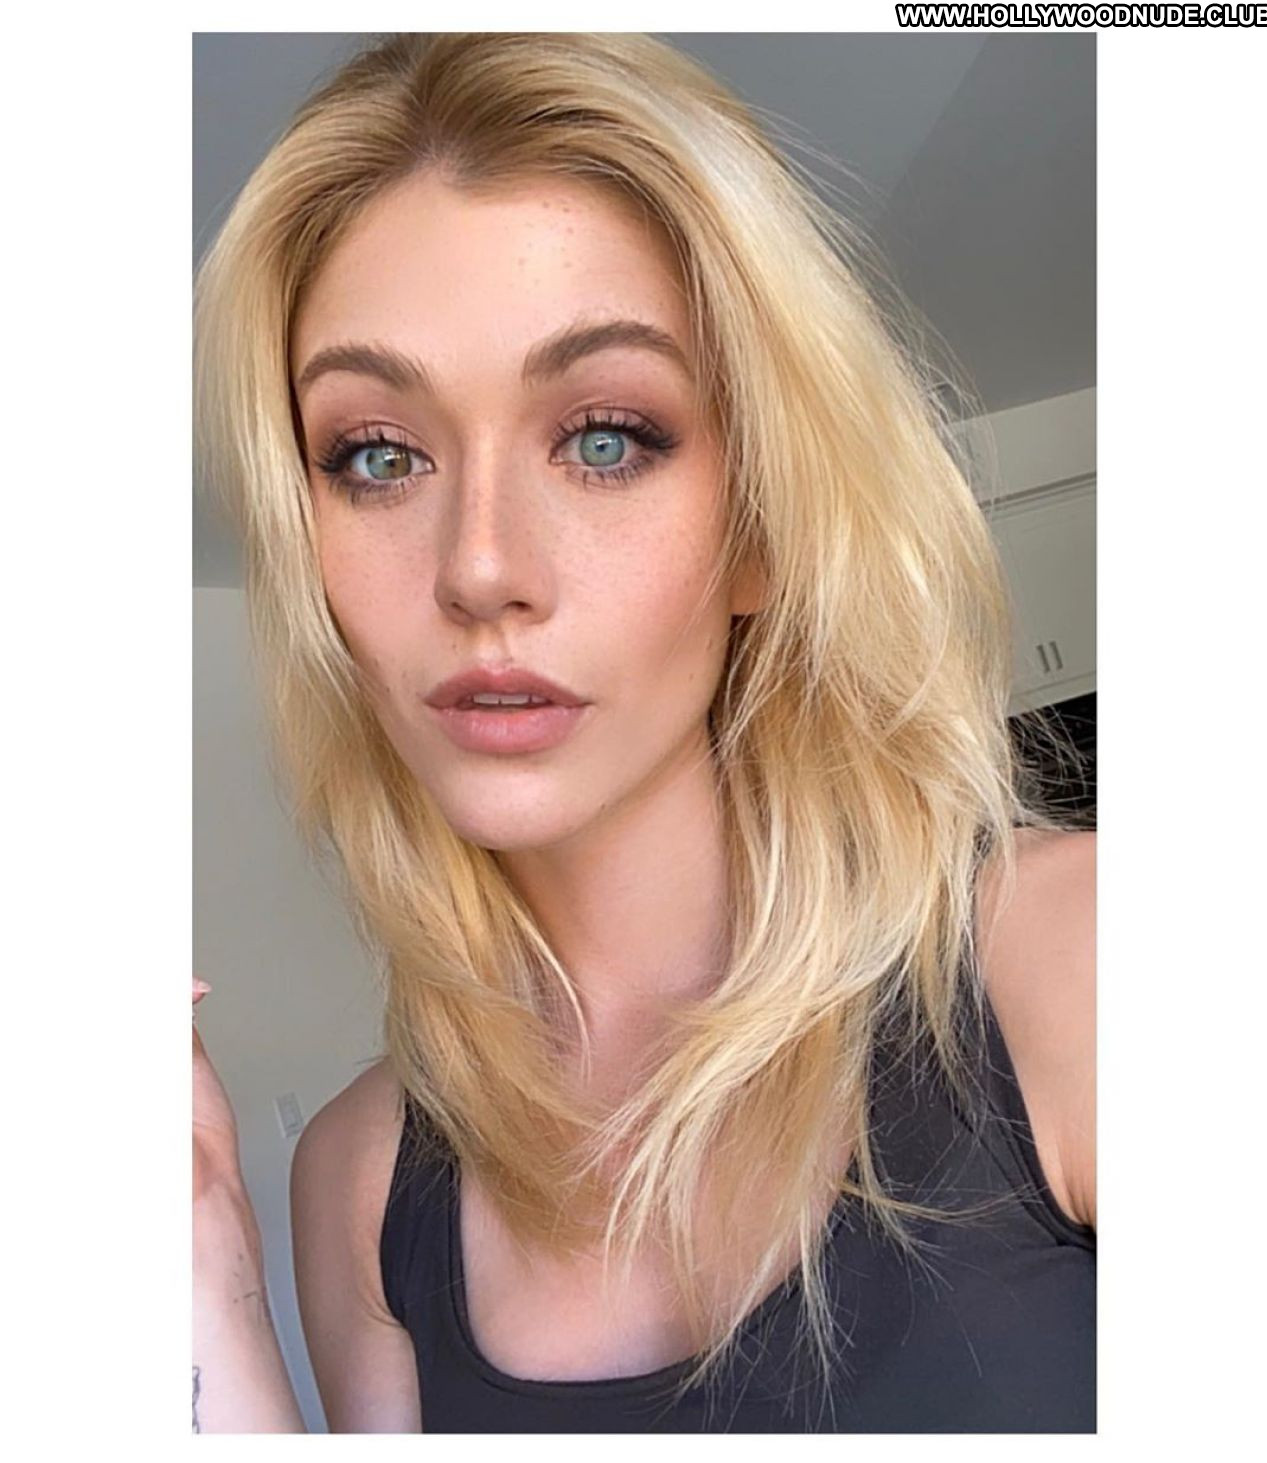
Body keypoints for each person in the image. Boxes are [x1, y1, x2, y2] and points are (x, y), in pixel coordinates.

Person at [192, 32, 1095, 1434]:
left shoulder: (1081, 961)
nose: (480, 567)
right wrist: (207, 1284)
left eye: (605, 438)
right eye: (378, 455)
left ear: (763, 528)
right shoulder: (363, 1185)